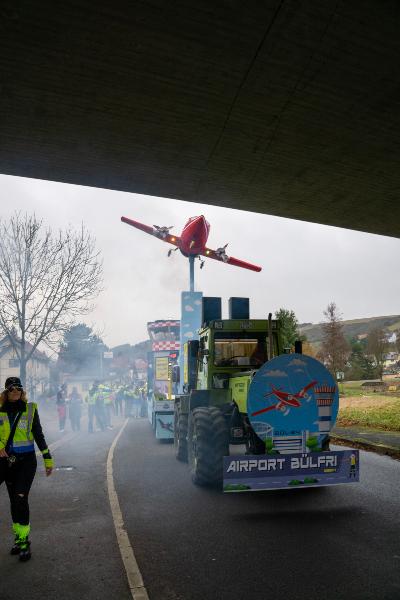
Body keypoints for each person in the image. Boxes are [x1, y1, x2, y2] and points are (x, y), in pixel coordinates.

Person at [0, 376, 54, 561]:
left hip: (26, 462)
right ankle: (18, 536)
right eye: (12, 389)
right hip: (6, 463)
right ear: (6, 392)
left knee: (20, 498)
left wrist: (47, 458)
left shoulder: (31, 409)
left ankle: (24, 541)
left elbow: (38, 434)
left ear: (22, 391)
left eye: (19, 389)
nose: (16, 392)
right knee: (14, 502)